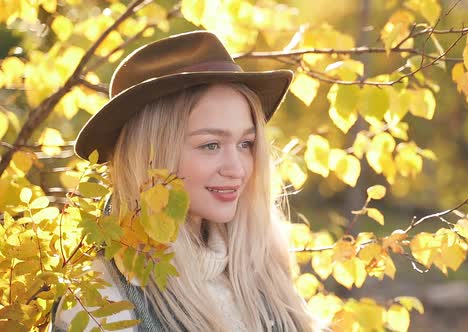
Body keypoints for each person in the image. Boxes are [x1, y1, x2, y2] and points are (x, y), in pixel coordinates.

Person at [51, 30, 318, 331]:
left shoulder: (262, 267)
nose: (237, 169)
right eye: (210, 145)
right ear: (151, 156)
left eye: (245, 144)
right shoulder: (102, 303)